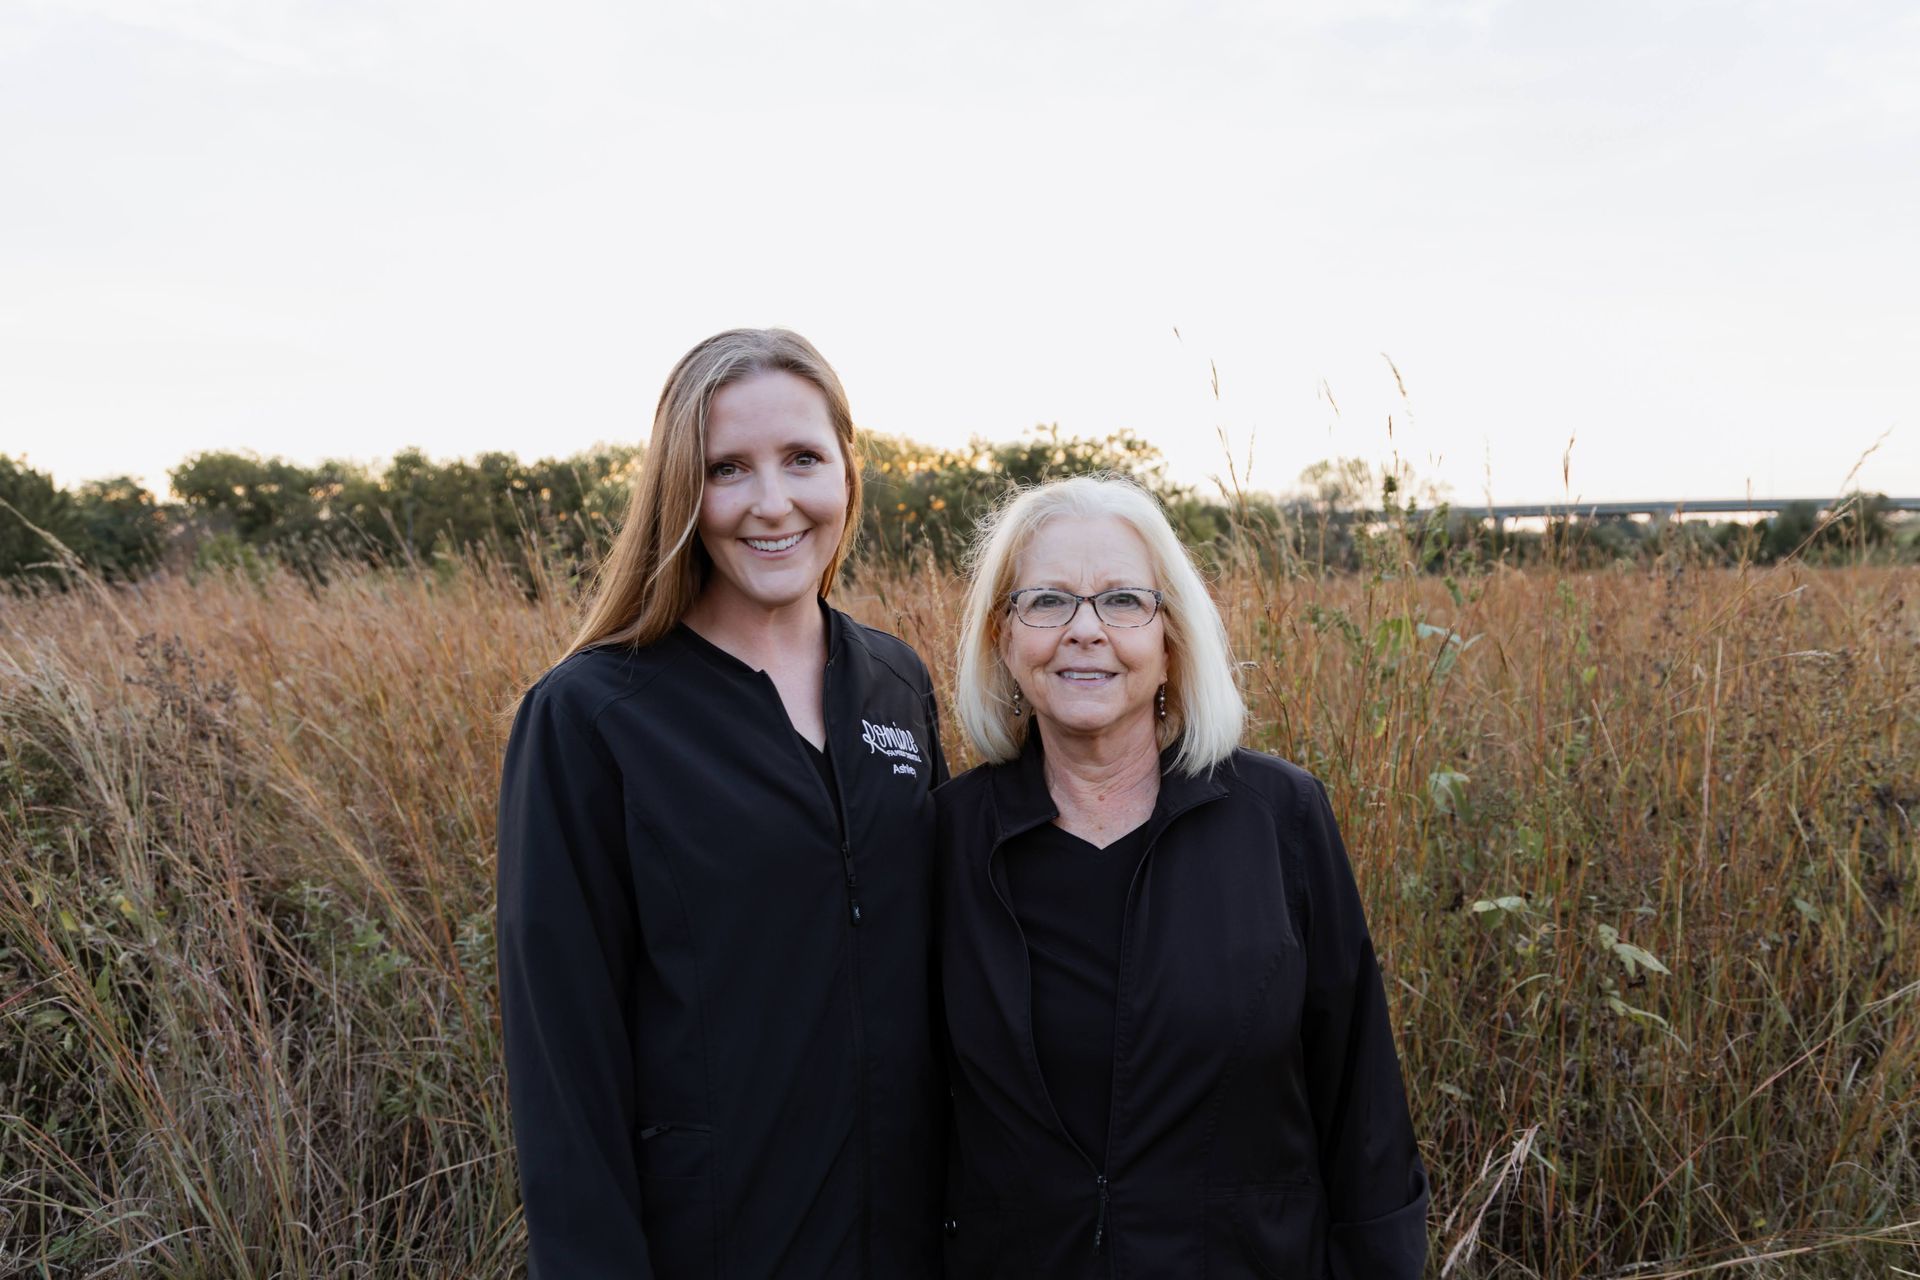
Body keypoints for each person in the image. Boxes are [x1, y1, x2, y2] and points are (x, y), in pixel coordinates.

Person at [496, 328, 948, 1278]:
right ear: (678, 493)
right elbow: (563, 1066)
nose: (772, 503)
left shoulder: (895, 683)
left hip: (914, 1243)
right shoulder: (590, 716)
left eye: (801, 460)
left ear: (848, 474)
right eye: (727, 469)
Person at [934, 475, 1428, 1278]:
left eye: (1124, 601)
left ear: (1172, 639)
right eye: (1047, 601)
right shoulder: (947, 839)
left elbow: (1362, 1112)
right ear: (1002, 638)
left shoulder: (1281, 818)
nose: (1085, 631)